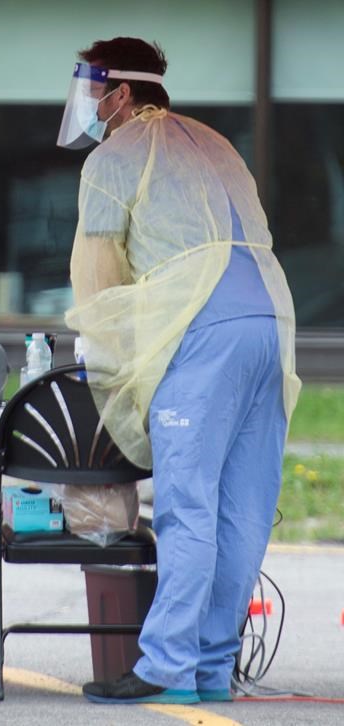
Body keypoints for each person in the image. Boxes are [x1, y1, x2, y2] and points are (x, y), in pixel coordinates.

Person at [58, 38, 301, 704]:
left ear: (123, 95)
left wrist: (103, 354)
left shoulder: (115, 156)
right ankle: (213, 670)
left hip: (206, 328)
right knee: (241, 510)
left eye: (94, 90)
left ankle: (165, 668)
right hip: (271, 322)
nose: (87, 105)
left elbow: (98, 278)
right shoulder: (216, 142)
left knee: (187, 506)